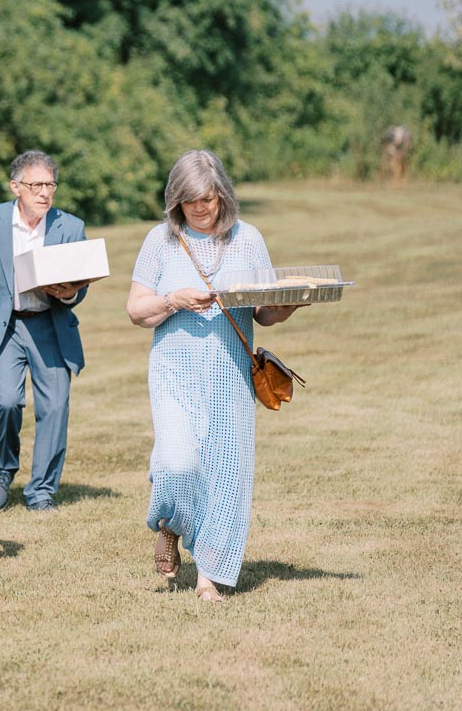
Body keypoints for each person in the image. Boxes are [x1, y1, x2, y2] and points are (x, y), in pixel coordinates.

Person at [126, 149, 301, 602]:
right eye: (190, 202)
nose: (202, 208)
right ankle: (171, 524)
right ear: (175, 203)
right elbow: (136, 311)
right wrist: (174, 301)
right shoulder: (159, 241)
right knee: (177, 462)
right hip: (174, 372)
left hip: (230, 374)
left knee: (226, 472)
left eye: (209, 198)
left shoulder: (248, 239)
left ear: (223, 193)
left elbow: (262, 311)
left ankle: (210, 576)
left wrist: (286, 305)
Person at [0, 151, 89, 513]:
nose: (44, 193)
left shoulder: (70, 227)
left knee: (55, 406)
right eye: (35, 185)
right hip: (6, 325)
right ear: (15, 187)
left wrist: (70, 292)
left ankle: (41, 491)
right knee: (6, 401)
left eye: (50, 185)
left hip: (50, 324)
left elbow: (80, 283)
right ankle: (3, 469)